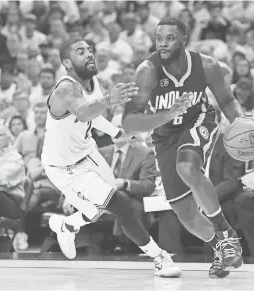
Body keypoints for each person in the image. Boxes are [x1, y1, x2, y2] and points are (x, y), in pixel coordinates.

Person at [41, 38, 181, 278]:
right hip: (65, 167)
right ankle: (159, 257)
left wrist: (119, 133)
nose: (89, 54)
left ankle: (66, 225)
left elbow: (93, 115)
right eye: (80, 51)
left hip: (88, 153)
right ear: (67, 63)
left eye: (89, 50)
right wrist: (108, 101)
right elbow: (84, 112)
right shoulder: (66, 88)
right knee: (120, 205)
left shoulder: (92, 81)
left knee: (100, 210)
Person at [122, 18, 248, 278]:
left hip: (199, 120)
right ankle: (219, 249)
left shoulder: (206, 65)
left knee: (187, 167)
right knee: (185, 213)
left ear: (183, 39)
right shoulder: (147, 70)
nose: (163, 43)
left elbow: (227, 100)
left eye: (169, 38)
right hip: (164, 134)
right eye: (159, 38)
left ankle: (226, 234)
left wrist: (245, 125)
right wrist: (168, 113)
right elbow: (129, 121)